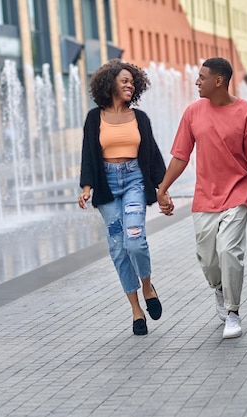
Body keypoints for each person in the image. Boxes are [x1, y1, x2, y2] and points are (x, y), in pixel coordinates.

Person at [156, 57, 247, 339]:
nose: (197, 81)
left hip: (238, 192)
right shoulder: (192, 113)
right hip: (205, 198)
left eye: (202, 77)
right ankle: (221, 290)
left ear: (219, 81)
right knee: (208, 259)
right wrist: (162, 188)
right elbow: (180, 157)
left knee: (228, 250)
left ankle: (233, 313)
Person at [78, 59, 169, 336]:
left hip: (133, 181)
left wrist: (162, 189)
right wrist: (86, 186)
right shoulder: (95, 118)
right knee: (118, 248)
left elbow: (152, 155)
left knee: (135, 240)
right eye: (124, 81)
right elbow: (88, 154)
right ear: (110, 84)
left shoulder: (139, 118)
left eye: (132, 81)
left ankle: (147, 286)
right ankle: (136, 309)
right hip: (106, 186)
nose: (129, 84)